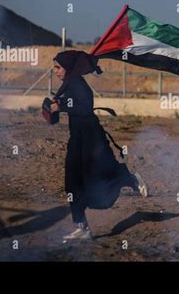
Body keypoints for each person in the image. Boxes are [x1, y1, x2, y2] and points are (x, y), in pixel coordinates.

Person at [50, 50, 148, 240]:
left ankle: (129, 178)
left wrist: (61, 107)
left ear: (68, 68)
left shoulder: (77, 83)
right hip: (77, 140)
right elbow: (69, 106)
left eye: (58, 67)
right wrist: (54, 106)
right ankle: (82, 228)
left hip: (91, 139)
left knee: (99, 178)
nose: (55, 71)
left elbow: (85, 107)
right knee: (72, 183)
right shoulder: (69, 84)